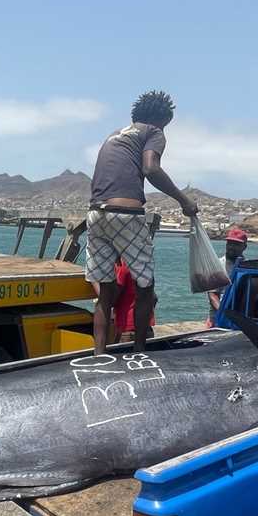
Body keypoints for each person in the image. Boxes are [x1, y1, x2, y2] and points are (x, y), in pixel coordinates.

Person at [86, 90, 197, 355]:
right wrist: (183, 201)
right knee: (145, 287)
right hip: (126, 215)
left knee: (105, 294)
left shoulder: (115, 135)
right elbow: (151, 168)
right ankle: (139, 351)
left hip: (95, 214)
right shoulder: (153, 132)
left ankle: (99, 355)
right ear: (162, 119)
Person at [207, 227, 249, 322]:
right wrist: (223, 313)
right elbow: (213, 296)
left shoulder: (248, 267)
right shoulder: (216, 265)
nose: (231, 247)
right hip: (219, 318)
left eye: (236, 244)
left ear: (244, 247)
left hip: (241, 318)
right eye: (230, 243)